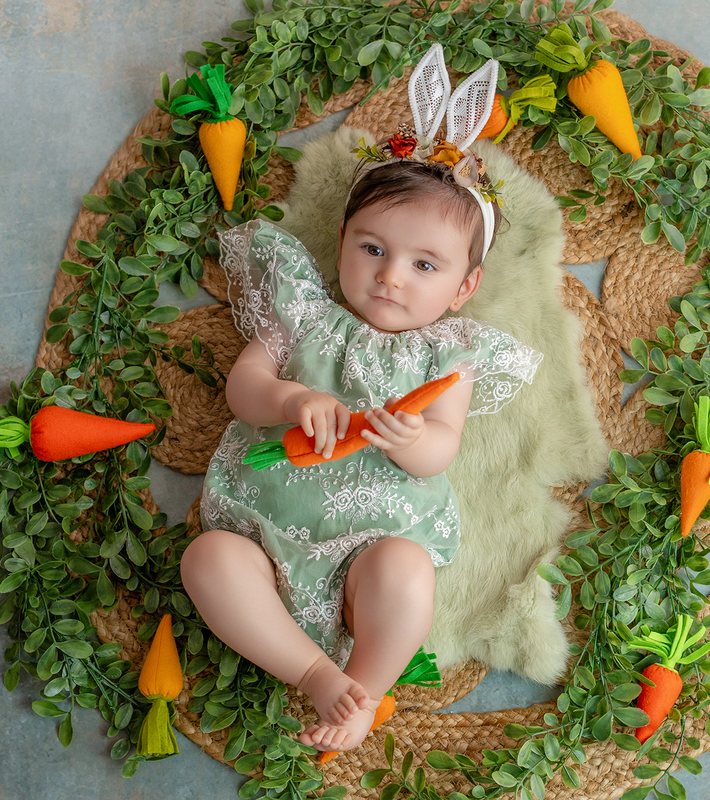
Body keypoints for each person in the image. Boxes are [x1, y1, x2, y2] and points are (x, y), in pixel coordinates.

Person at [180, 48, 539, 756]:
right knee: (206, 561)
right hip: (261, 533)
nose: (391, 276)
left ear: (463, 288)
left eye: (424, 265)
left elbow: (442, 449)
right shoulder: (303, 316)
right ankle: (316, 673)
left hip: (371, 551)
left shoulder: (448, 357)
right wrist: (289, 398)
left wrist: (413, 440)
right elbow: (242, 389)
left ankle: (363, 691)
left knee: (406, 573)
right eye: (373, 249)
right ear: (343, 241)